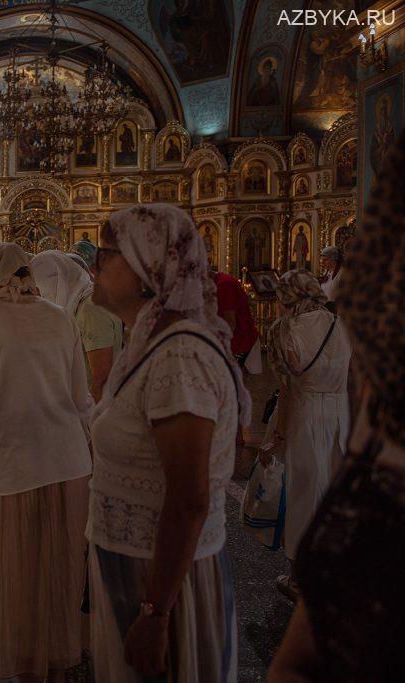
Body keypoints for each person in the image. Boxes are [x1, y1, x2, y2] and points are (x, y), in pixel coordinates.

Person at [86, 204, 250, 682]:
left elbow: (188, 499)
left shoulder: (180, 355)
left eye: (106, 254)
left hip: (164, 585)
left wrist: (157, 614)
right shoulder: (149, 342)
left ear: (147, 270)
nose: (94, 266)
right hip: (137, 569)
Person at [268, 129, 405, 683]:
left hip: (310, 411)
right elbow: (305, 654)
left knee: (307, 481)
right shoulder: (385, 418)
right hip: (334, 413)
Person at [0, 242, 94, 681]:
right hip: (72, 466)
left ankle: (28, 668)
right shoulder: (61, 317)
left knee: (17, 580)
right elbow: (82, 402)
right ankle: (56, 662)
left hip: (15, 469)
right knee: (61, 574)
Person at [260, 270, 351, 598]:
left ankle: (298, 578)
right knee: (333, 492)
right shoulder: (341, 325)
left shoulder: (284, 330)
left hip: (305, 416)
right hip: (342, 415)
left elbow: (287, 390)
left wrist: (278, 438)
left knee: (304, 494)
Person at [31, 249, 120, 401]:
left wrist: (90, 419)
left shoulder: (91, 308)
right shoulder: (80, 303)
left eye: (43, 291)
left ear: (59, 281)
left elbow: (102, 378)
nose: (43, 298)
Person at [212, 268, 259, 365]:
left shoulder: (224, 285)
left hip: (239, 343)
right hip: (236, 341)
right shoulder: (220, 282)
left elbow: (230, 323)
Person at [318, 245, 343, 310]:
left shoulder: (341, 273)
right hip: (325, 309)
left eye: (325, 260)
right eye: (322, 260)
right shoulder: (326, 273)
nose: (322, 262)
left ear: (334, 259)